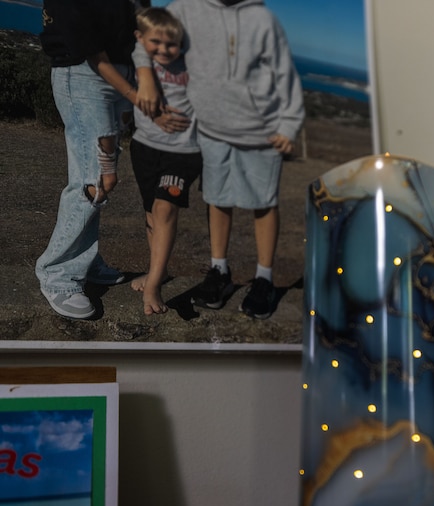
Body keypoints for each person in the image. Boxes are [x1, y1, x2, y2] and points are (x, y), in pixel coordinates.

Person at [135, 0, 305, 319]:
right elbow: (146, 38)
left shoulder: (261, 18)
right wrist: (144, 75)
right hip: (211, 129)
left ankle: (264, 280)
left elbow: (284, 71)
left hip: (261, 130)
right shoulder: (184, 9)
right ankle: (219, 272)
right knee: (217, 198)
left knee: (264, 202)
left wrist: (289, 124)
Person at [34, 0, 143, 319]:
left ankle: (85, 259)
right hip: (85, 73)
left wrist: (131, 84)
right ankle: (57, 274)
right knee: (93, 179)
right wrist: (139, 97)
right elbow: (85, 41)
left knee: (99, 178)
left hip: (117, 74)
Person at [129, 7, 202, 315]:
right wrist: (144, 76)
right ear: (141, 39)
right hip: (144, 145)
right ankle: (155, 270)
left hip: (185, 150)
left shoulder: (194, 57)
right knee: (151, 214)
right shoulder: (139, 52)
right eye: (155, 43)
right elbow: (139, 50)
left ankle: (155, 283)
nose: (163, 49)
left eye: (170, 44)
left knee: (165, 208)